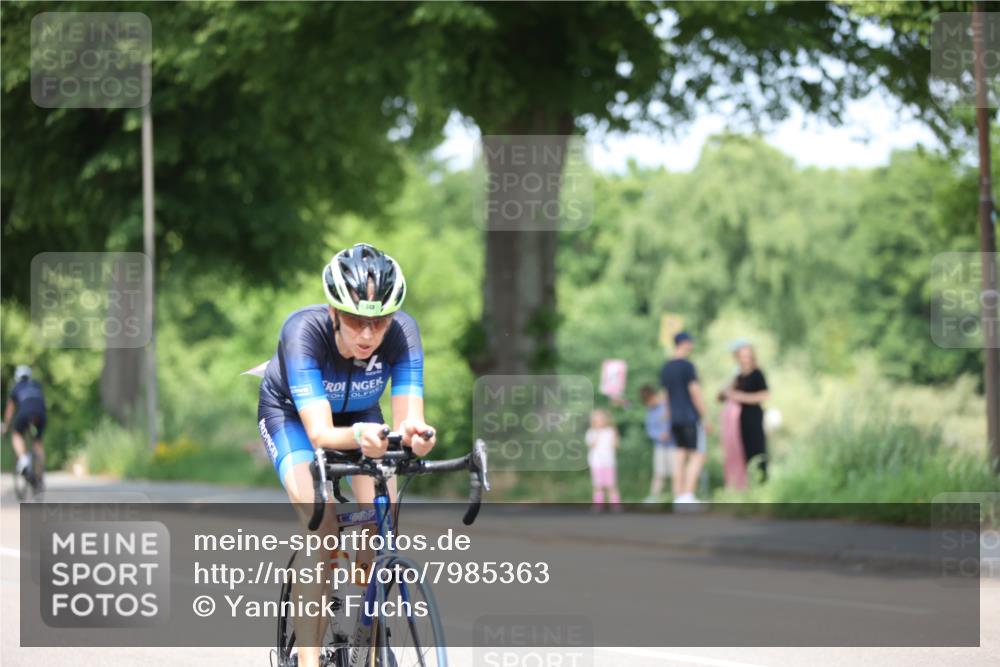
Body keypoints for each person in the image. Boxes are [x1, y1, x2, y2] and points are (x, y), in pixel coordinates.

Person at [256, 243, 436, 667]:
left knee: (384, 513)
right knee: (322, 528)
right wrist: (361, 434)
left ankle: (364, 636)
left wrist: (419, 438)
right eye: (356, 321)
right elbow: (319, 433)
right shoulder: (303, 330)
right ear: (334, 312)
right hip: (294, 418)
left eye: (380, 321)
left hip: (361, 415)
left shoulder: (403, 334)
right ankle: (309, 658)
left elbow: (410, 422)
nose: (369, 335)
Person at [659, 332, 710, 504]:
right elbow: (694, 392)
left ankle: (678, 495)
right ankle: (688, 494)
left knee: (679, 455)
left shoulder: (666, 367)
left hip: (674, 419)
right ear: (684, 343)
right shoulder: (687, 366)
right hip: (689, 416)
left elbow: (665, 397)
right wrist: (706, 416)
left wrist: (667, 423)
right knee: (698, 455)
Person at [722, 343, 770, 482]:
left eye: (747, 356)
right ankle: (748, 482)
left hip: (754, 416)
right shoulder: (738, 376)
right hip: (739, 420)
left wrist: (740, 397)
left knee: (758, 450)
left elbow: (765, 395)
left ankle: (762, 481)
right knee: (743, 451)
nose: (744, 359)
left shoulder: (757, 373)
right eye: (741, 356)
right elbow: (724, 394)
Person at [2, 365, 48, 489]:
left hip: (25, 414)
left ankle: (23, 460)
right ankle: (40, 477)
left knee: (16, 434)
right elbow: (43, 402)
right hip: (41, 415)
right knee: (38, 443)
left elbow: (10, 409)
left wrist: (6, 426)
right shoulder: (37, 385)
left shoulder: (16, 387)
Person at [639, 385, 672, 502]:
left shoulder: (667, 406)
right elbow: (650, 431)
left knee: (677, 472)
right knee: (659, 473)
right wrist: (659, 436)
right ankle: (654, 496)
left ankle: (679, 496)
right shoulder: (650, 413)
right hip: (660, 446)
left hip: (674, 446)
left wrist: (669, 433)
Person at [585, 408, 621, 511]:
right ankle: (598, 505)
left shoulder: (610, 431)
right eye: (596, 420)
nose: (599, 422)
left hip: (609, 463)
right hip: (597, 463)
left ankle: (615, 505)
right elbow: (591, 445)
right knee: (598, 485)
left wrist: (615, 435)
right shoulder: (591, 432)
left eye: (601, 419)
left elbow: (616, 445)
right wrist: (597, 433)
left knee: (611, 485)